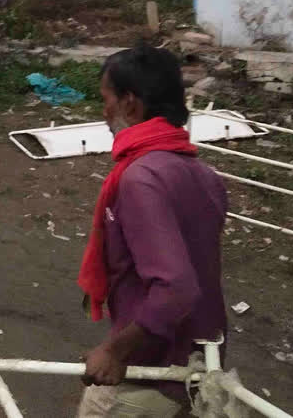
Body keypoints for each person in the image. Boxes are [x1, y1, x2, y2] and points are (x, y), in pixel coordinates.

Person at [76, 46, 227, 417]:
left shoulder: (141, 178)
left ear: (129, 103)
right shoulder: (202, 173)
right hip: (199, 357)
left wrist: (115, 351)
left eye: (105, 99)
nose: (103, 111)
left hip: (152, 371)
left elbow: (176, 287)